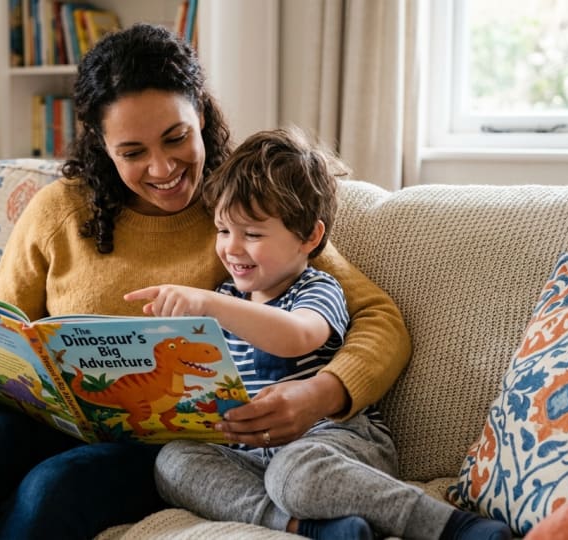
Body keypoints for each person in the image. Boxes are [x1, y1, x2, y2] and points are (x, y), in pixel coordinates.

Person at [0, 23, 411, 540]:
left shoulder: (247, 207)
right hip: (41, 419)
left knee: (52, 490)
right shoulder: (57, 211)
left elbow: (377, 317)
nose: (162, 168)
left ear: (200, 115)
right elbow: (0, 334)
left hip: (159, 443)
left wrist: (323, 393)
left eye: (176, 138)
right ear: (102, 143)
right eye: (133, 152)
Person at [126, 128, 512, 540]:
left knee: (294, 476)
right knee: (173, 463)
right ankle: (304, 527)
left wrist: (210, 305)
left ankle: (452, 526)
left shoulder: (315, 289)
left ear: (309, 237)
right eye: (223, 231)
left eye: (252, 234)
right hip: (252, 455)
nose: (232, 248)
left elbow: (296, 337)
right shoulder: (226, 295)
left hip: (333, 442)